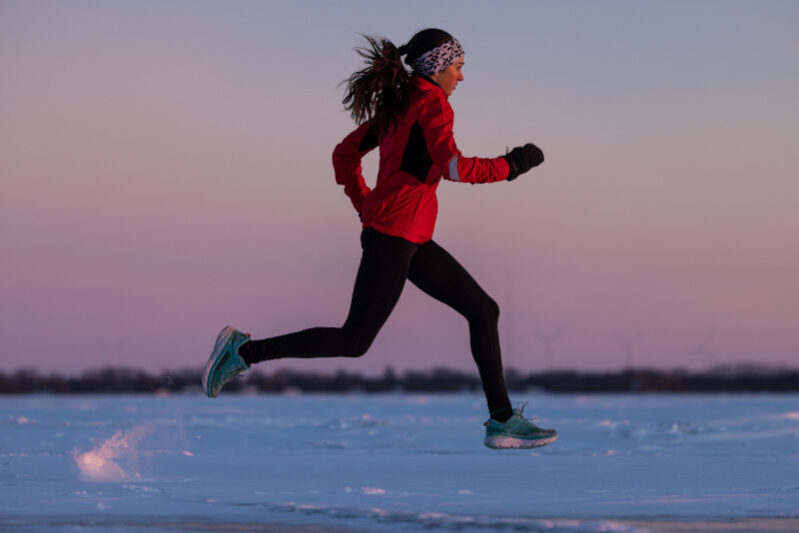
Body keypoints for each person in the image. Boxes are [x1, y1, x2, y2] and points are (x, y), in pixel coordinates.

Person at [202, 28, 557, 450]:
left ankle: (502, 420)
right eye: (458, 67)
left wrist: (366, 204)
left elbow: (344, 154)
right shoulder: (431, 104)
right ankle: (243, 352)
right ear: (438, 67)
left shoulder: (400, 104)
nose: (462, 77)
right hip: (394, 236)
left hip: (409, 235)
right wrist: (513, 164)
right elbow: (454, 168)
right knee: (354, 340)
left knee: (484, 310)